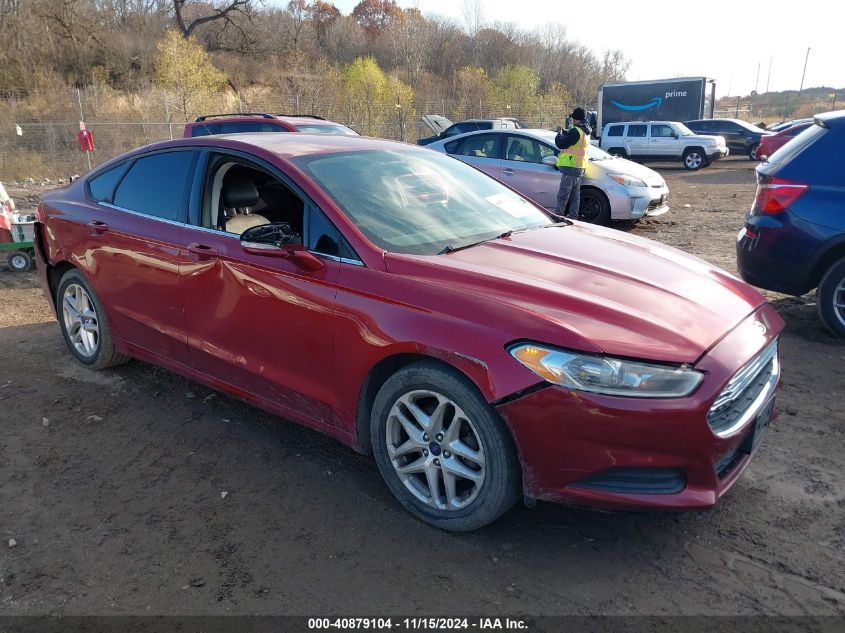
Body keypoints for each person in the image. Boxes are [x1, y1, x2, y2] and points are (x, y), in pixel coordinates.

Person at [554, 107, 591, 219]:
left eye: (573, 118)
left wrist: (559, 134)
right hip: (580, 166)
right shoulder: (586, 130)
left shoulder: (576, 131)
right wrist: (567, 133)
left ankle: (558, 216)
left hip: (571, 166)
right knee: (575, 195)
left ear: (576, 118)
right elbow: (574, 142)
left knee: (563, 194)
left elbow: (560, 143)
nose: (572, 120)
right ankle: (574, 216)